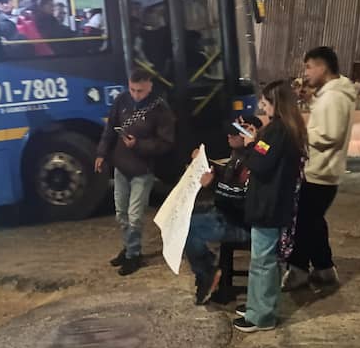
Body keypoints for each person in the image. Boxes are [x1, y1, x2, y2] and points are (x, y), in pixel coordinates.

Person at [232, 80, 307, 333]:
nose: (262, 107)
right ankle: (258, 305)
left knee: (262, 261)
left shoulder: (278, 131)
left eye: (265, 102)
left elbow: (261, 163)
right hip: (274, 202)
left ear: (277, 103)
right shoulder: (285, 128)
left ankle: (261, 316)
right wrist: (256, 141)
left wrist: (249, 145)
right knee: (265, 260)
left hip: (268, 204)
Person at [282, 46, 356, 290]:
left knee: (302, 224)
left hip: (320, 171)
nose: (306, 72)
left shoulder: (334, 97)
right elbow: (327, 121)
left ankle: (298, 270)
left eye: (309, 67)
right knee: (313, 222)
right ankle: (324, 269)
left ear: (323, 67)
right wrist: (312, 101)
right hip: (324, 170)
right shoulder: (332, 94)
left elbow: (330, 134)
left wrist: (298, 133)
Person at [95, 70, 176, 276]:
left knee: (134, 215)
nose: (135, 95)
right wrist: (102, 153)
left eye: (140, 91)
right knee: (121, 213)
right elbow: (110, 128)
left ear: (150, 86)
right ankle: (128, 248)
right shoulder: (122, 100)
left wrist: (138, 145)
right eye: (132, 89)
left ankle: (134, 255)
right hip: (121, 166)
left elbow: (166, 143)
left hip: (143, 169)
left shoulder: (160, 108)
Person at [184, 115, 263, 304]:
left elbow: (242, 194)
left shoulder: (255, 158)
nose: (229, 135)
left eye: (234, 133)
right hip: (229, 214)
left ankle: (207, 274)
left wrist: (213, 184)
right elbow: (228, 178)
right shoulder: (240, 154)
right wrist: (204, 164)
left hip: (243, 223)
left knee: (189, 228)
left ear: (248, 134)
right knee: (186, 219)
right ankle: (208, 271)